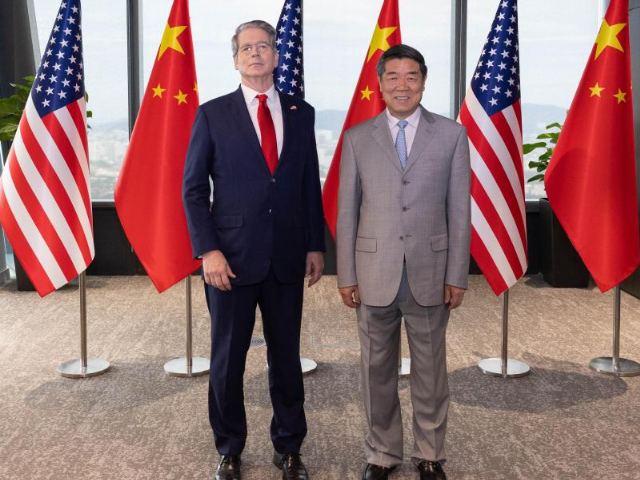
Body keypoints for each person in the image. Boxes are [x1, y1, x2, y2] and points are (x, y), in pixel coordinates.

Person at [182, 20, 324, 480]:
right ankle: (229, 448)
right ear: (236, 59)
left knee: (286, 359)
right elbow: (192, 190)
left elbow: (308, 184)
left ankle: (289, 447)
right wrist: (208, 251)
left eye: (264, 46)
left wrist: (315, 245)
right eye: (247, 48)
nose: (256, 53)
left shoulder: (302, 112)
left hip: (286, 256)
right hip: (230, 259)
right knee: (228, 360)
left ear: (277, 56)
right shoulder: (212, 114)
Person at [336, 44, 471, 480]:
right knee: (376, 371)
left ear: (423, 82)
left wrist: (457, 275)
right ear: (380, 84)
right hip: (373, 273)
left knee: (430, 371)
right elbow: (347, 211)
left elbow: (459, 211)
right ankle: (382, 453)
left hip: (431, 273)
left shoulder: (451, 135)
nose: (402, 85)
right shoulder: (357, 138)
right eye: (392, 76)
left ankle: (430, 453)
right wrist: (346, 275)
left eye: (411, 76)